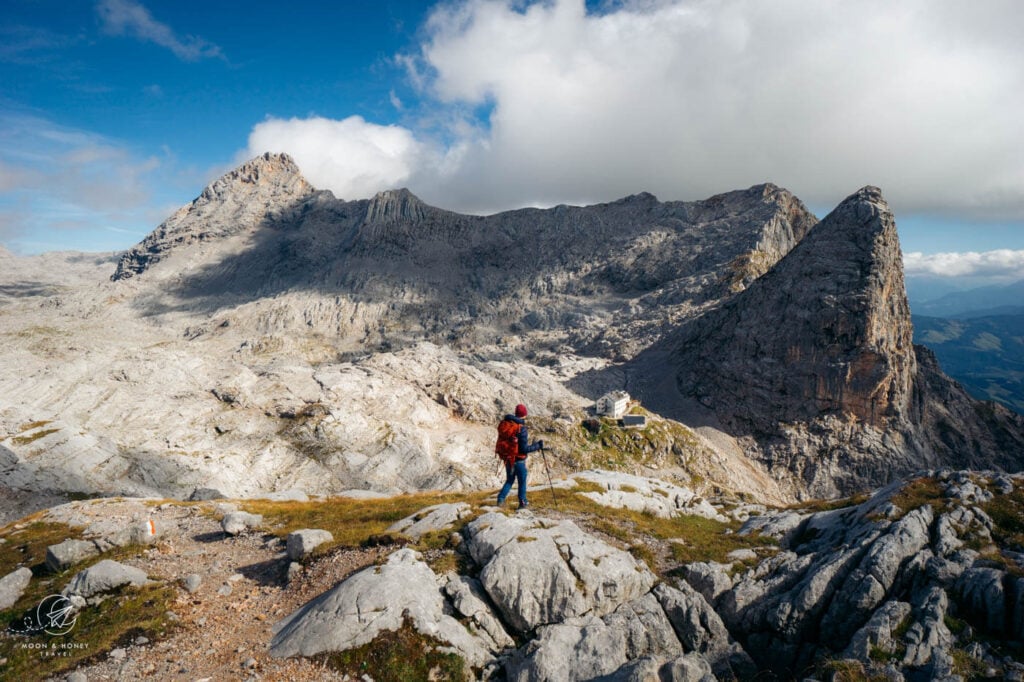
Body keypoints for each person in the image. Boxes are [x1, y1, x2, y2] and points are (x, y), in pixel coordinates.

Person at [495, 403, 543, 509]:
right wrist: (537, 446)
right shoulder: (521, 429)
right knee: (522, 481)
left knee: (509, 480)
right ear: (524, 414)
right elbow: (524, 449)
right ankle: (523, 502)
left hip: (508, 458)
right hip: (519, 461)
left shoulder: (507, 424)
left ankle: (500, 499)